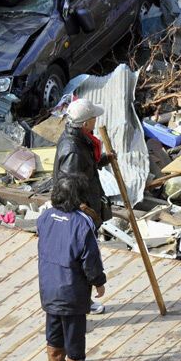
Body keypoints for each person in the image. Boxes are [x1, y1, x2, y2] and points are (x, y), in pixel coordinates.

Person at [37, 174, 106, 361]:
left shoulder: (45, 216)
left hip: (48, 284)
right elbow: (90, 259)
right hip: (72, 288)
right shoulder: (81, 223)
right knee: (74, 332)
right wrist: (99, 282)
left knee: (54, 325)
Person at [53, 97, 116, 314]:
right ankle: (81, 304)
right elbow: (68, 184)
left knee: (84, 259)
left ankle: (83, 302)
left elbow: (87, 168)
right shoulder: (72, 148)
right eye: (93, 118)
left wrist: (105, 159)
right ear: (86, 122)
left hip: (86, 208)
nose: (96, 120)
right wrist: (81, 210)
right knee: (82, 260)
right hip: (79, 213)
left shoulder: (80, 141)